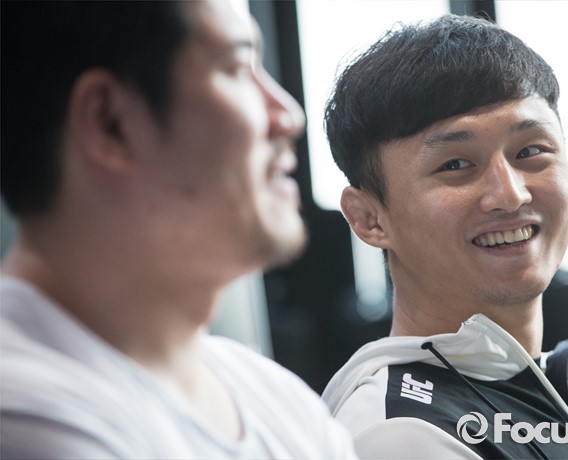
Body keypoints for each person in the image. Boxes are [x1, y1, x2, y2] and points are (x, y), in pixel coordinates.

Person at [0, 1, 358, 459]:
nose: (288, 115)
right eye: (237, 67)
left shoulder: (276, 398)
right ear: (111, 123)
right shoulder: (27, 418)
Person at [321, 14, 568, 460]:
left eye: (530, 151)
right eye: (455, 165)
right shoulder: (401, 434)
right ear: (369, 219)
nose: (510, 195)